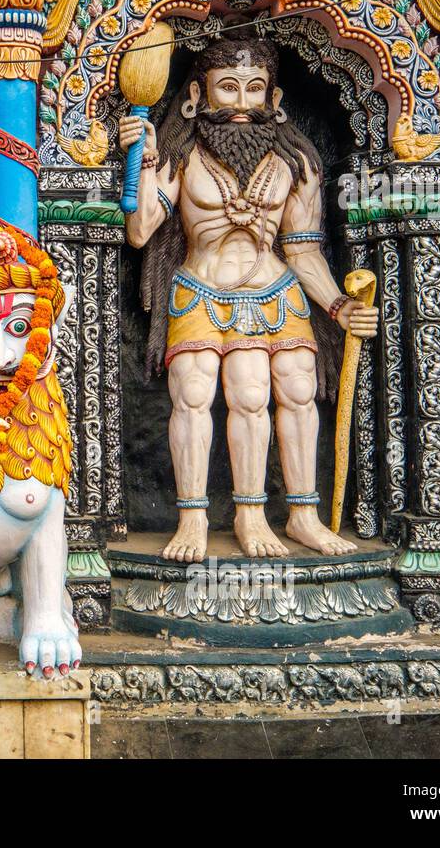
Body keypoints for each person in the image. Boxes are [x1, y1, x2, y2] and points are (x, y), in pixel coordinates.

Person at [119, 38, 379, 564]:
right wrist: (140, 158)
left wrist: (336, 307)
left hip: (275, 290)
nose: (241, 101)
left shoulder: (296, 160)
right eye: (228, 87)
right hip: (200, 290)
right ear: (199, 92)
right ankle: (193, 518)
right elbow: (142, 230)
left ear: (273, 96)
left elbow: (303, 251)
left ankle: (290, 516)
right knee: (193, 395)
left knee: (285, 392)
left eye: (254, 89)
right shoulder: (178, 152)